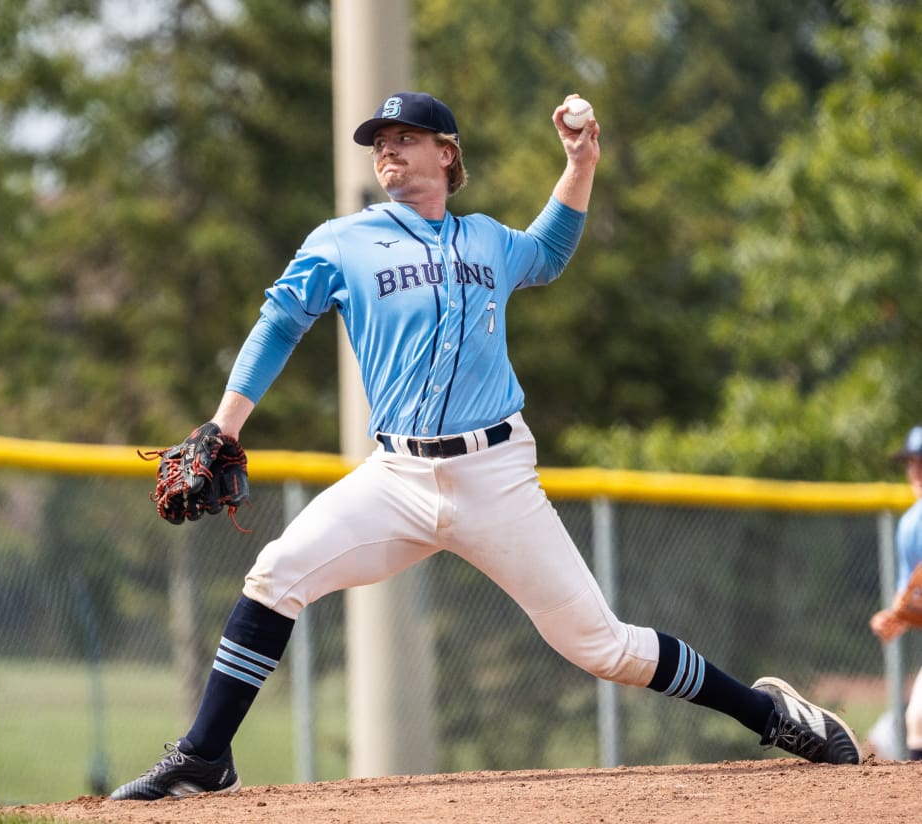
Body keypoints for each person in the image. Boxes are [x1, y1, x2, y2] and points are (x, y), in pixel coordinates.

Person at [109, 91, 860, 801]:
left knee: (602, 648)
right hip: (397, 476)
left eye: (405, 139)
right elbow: (280, 322)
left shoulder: (487, 240)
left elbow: (549, 252)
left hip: (496, 474)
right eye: (380, 142)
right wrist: (224, 425)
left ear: (447, 153)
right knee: (275, 574)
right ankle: (206, 755)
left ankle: (774, 716)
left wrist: (580, 162)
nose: (388, 152)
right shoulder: (343, 241)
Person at [869, 424, 922, 760]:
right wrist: (894, 616)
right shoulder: (910, 527)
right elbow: (909, 600)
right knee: (918, 717)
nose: (916, 470)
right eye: (911, 462)